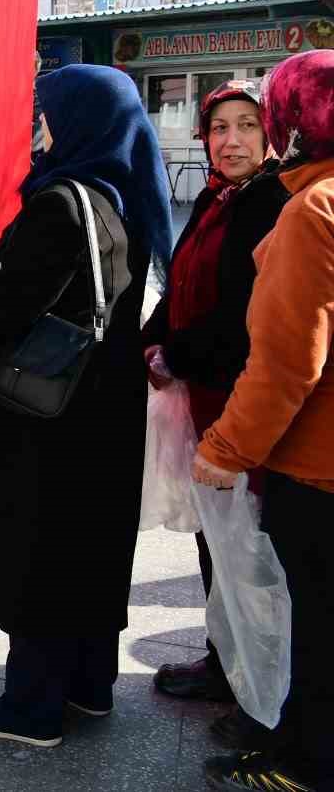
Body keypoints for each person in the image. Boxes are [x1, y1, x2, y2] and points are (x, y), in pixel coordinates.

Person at [0, 64, 172, 748]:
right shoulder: (129, 198)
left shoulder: (60, 206)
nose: (40, 127)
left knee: (40, 544)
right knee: (91, 544)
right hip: (108, 405)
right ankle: (87, 685)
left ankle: (33, 706)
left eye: (47, 113)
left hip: (50, 412)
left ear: (79, 121)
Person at [192, 49, 334, 792]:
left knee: (317, 621)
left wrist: (226, 448)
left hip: (313, 460)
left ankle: (306, 766)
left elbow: (286, 359)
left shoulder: (311, 209)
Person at [141, 83, 289, 743]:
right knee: (218, 544)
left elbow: (245, 316)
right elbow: (181, 286)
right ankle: (225, 662)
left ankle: (267, 694)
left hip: (249, 411)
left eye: (247, 126)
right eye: (219, 128)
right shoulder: (215, 198)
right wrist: (151, 340)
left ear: (272, 133)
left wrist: (174, 352)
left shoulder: (272, 203)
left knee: (254, 553)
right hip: (206, 403)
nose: (231, 141)